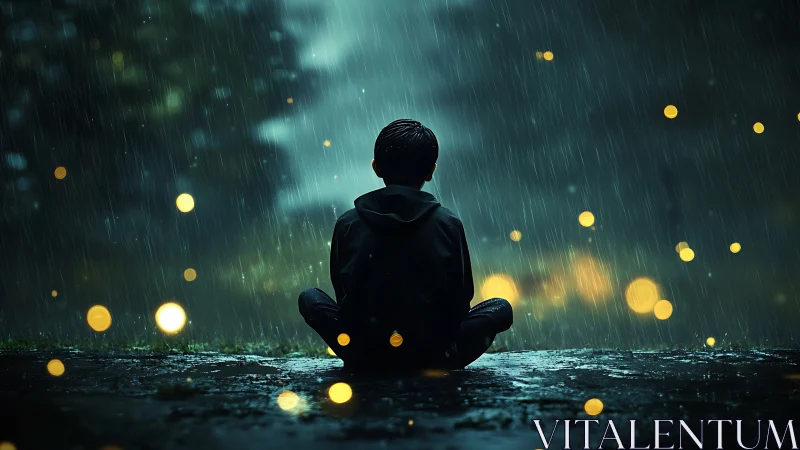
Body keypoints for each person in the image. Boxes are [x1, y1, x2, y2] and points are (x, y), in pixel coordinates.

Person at [298, 119, 513, 371]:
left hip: (365, 354)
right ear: (431, 171)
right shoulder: (448, 223)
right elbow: (461, 298)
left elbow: (342, 292)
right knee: (501, 308)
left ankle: (368, 359)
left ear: (376, 167)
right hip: (434, 355)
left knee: (310, 298)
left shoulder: (348, 223)